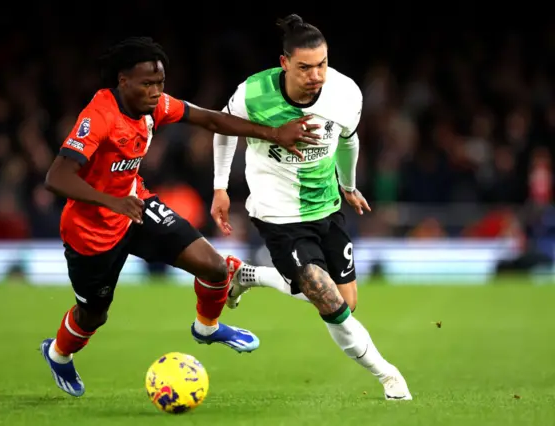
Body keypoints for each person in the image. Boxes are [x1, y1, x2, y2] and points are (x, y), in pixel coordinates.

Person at [40, 36, 320, 397]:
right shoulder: (99, 116)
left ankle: (206, 327)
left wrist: (273, 134)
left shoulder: (153, 106)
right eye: (147, 84)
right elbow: (56, 177)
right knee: (93, 315)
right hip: (91, 230)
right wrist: (108, 202)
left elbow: (210, 119)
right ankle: (59, 353)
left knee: (216, 267)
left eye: (160, 83)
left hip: (136, 208)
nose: (156, 92)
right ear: (123, 81)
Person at [211, 14, 412, 400]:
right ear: (284, 63)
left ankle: (247, 275)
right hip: (277, 213)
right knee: (325, 296)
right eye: (305, 67)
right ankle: (389, 376)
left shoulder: (346, 92)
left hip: (326, 205)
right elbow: (223, 128)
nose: (316, 75)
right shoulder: (253, 93)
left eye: (321, 64)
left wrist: (349, 185)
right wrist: (220, 187)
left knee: (345, 302)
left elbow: (349, 140)